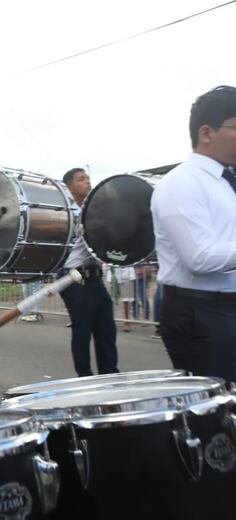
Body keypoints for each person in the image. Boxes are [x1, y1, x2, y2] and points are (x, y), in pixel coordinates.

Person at [151, 85, 236, 382]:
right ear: (206, 133)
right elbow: (199, 258)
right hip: (201, 314)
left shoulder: (225, 182)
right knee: (221, 411)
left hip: (224, 307)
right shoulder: (182, 182)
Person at [59, 168, 119, 377]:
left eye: (88, 178)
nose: (87, 182)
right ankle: (84, 377)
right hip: (74, 278)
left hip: (94, 277)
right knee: (82, 330)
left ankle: (109, 374)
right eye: (81, 179)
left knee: (106, 329)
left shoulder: (94, 209)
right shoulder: (65, 213)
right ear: (69, 187)